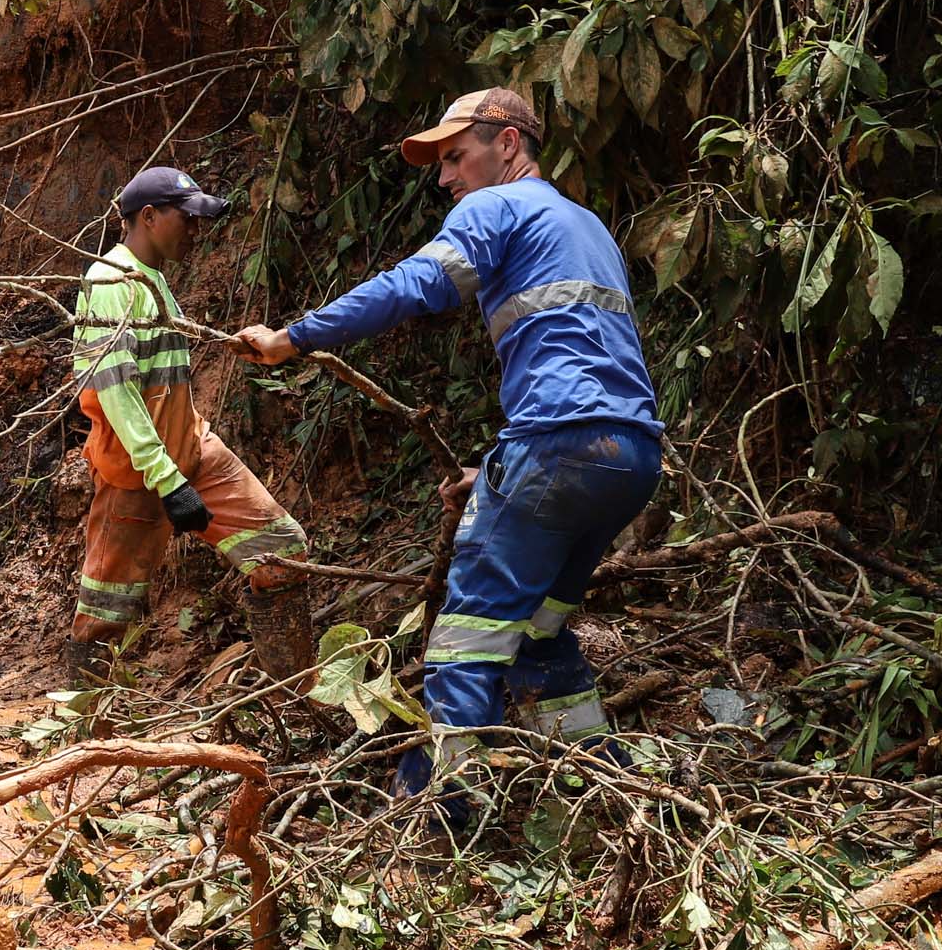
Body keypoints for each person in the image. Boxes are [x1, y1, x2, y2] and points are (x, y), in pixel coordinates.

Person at [234, 87, 660, 790]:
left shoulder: (496, 205)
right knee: (535, 634)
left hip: (556, 448)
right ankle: (602, 786)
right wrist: (499, 468)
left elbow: (418, 283)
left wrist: (293, 338)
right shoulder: (585, 225)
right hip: (630, 458)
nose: (445, 178)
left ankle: (440, 818)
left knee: (467, 638)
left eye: (457, 157)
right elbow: (584, 367)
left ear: (509, 145)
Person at [68, 167, 316, 683]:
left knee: (282, 553)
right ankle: (87, 740)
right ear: (149, 217)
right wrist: (166, 478)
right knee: (106, 616)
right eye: (188, 219)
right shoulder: (110, 282)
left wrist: (233, 345)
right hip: (137, 471)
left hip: (190, 450)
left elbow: (163, 373)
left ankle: (295, 696)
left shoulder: (153, 279)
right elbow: (118, 396)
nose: (195, 231)